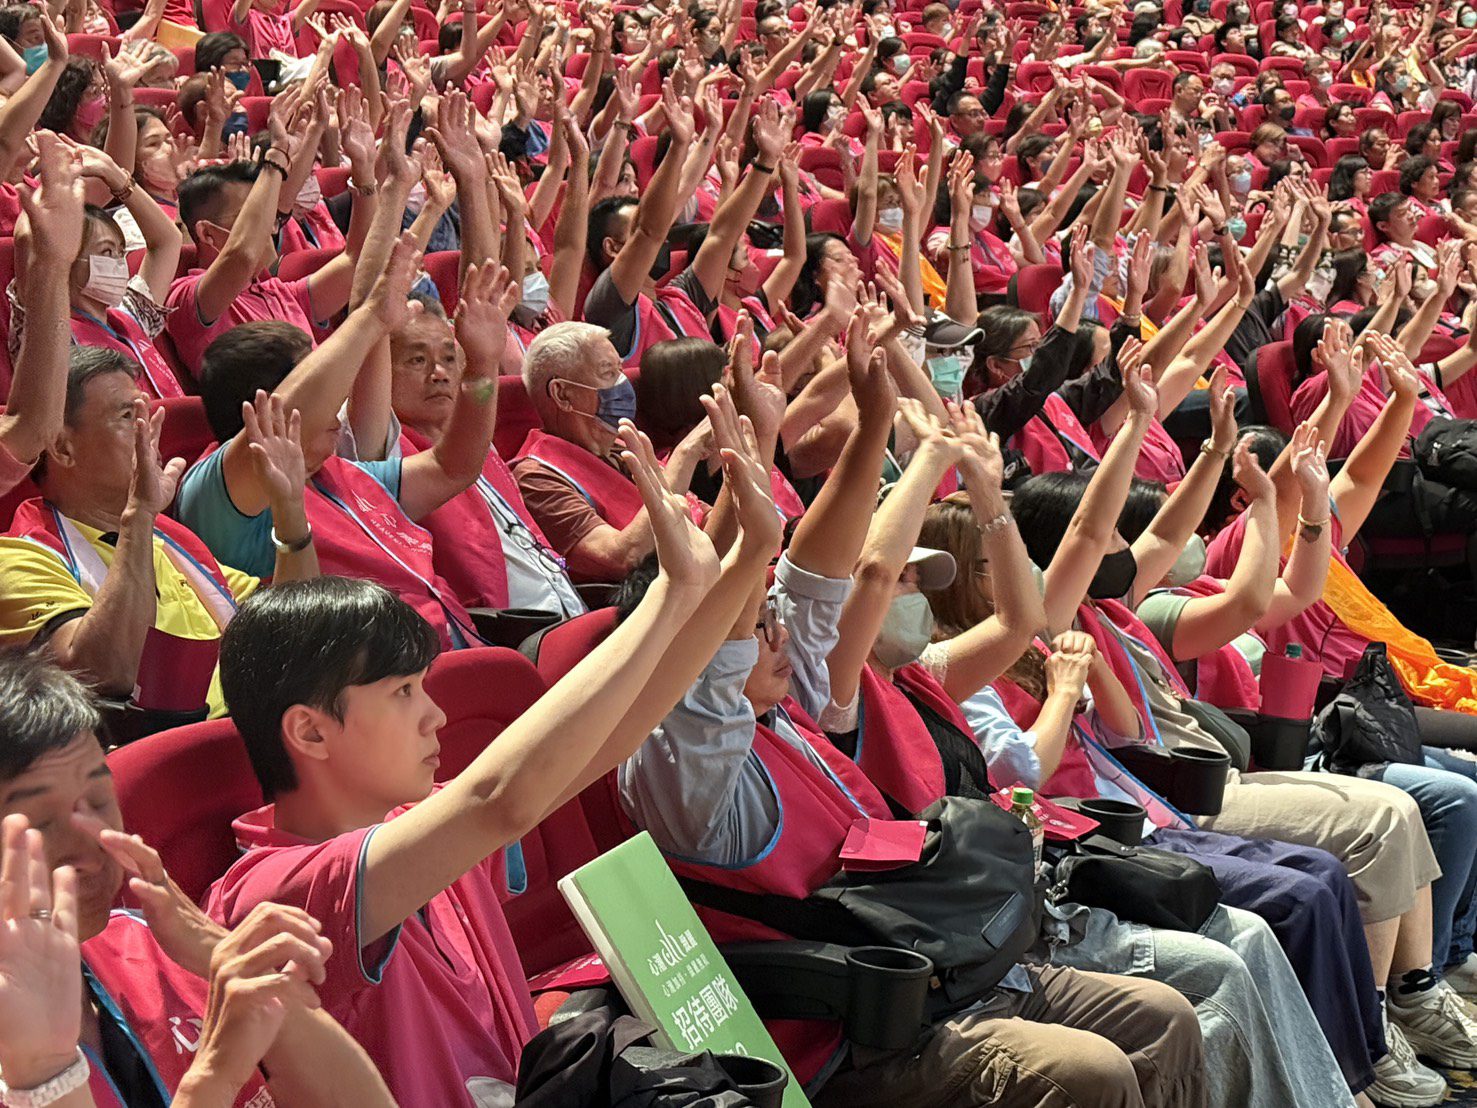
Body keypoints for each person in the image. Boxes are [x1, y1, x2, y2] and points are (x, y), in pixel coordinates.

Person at [205, 391, 769, 1107]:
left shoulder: (421, 815)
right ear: (310, 731)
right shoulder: (276, 894)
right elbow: (501, 799)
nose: (436, 715)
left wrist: (747, 555)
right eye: (404, 692)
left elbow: (621, 730)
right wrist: (668, 593)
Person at [0, 650, 400, 1108]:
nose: (94, 841)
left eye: (98, 798)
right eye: (41, 821)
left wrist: (212, 945)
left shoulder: (150, 944)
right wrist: (212, 1079)